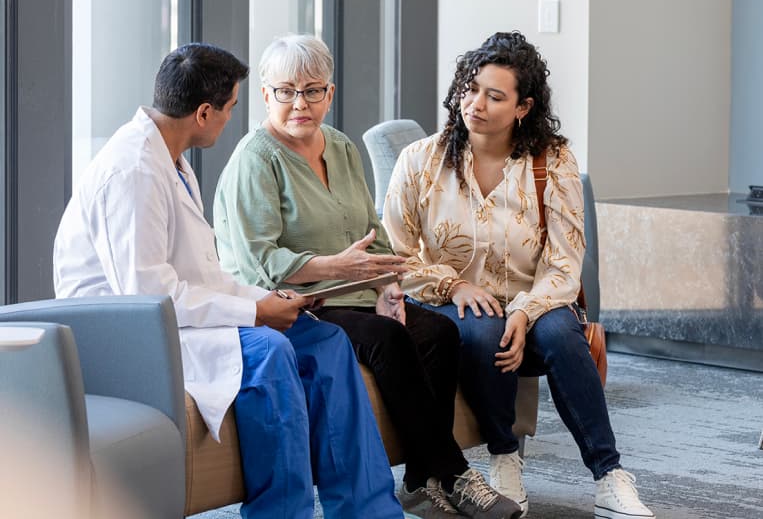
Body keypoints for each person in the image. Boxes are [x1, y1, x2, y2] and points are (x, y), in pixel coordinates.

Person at [52, 43, 405, 519]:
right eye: (231, 107)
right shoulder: (133, 171)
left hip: (182, 315)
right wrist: (256, 311)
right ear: (203, 112)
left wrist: (270, 298)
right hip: (130, 333)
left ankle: (369, 511)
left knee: (326, 342)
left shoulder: (171, 160)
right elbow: (148, 299)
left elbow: (203, 275)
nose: (232, 118)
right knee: (271, 352)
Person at [213, 34, 522, 519]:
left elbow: (371, 230)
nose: (300, 104)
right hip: (297, 303)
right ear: (266, 95)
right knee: (387, 340)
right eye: (287, 91)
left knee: (438, 332)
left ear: (330, 94)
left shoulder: (338, 145)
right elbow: (259, 263)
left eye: (313, 91)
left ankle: (421, 479)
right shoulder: (256, 160)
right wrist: (339, 268)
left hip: (356, 290)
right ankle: (454, 471)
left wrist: (388, 286)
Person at [382, 31, 656, 519]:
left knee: (563, 336)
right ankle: (504, 458)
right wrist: (454, 285)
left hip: (537, 301)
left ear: (523, 106)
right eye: (469, 89)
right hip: (454, 306)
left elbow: (565, 262)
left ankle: (609, 474)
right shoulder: (420, 160)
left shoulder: (553, 161)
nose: (475, 103)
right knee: (484, 327)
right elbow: (396, 255)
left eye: (494, 95)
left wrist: (526, 311)